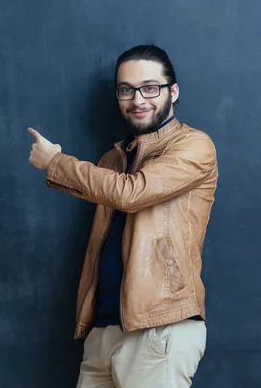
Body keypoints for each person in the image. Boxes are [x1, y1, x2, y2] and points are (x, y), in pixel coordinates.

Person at [28, 44, 218, 387]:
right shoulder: (111, 161)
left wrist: (56, 163)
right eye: (126, 90)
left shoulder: (194, 146)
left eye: (150, 88)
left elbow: (133, 193)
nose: (138, 100)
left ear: (172, 92)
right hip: (104, 330)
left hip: (159, 327)